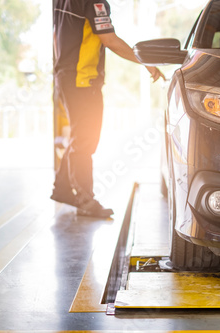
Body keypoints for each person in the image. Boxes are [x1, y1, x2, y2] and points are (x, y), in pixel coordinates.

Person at [52, 0, 164, 218]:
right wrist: (146, 62)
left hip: (66, 76)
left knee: (79, 136)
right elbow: (109, 40)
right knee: (85, 140)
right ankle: (86, 199)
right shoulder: (95, 2)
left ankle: (63, 188)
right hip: (82, 79)